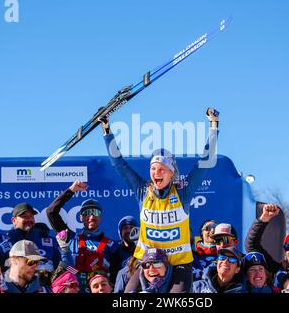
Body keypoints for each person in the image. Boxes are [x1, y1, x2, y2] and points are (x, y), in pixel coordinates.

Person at [100, 107, 219, 293]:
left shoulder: (182, 194)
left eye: (162, 169)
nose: (157, 173)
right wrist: (107, 131)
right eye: (153, 168)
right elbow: (119, 164)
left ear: (172, 173)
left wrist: (213, 126)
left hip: (178, 264)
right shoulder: (143, 192)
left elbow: (205, 162)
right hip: (148, 263)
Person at [46, 180, 117, 292]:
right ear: (80, 217)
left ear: (101, 217)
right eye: (87, 213)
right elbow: (51, 212)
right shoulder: (70, 238)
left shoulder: (112, 245)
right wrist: (71, 190)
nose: (92, 216)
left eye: (96, 213)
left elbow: (116, 275)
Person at [0, 202, 60, 271]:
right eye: (24, 216)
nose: (29, 219)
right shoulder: (6, 244)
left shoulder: (49, 241)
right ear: (14, 220)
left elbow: (61, 265)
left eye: (31, 216)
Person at [109, 215, 138, 284]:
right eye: (125, 228)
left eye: (132, 227)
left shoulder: (143, 249)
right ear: (120, 232)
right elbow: (114, 279)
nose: (129, 230)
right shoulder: (115, 254)